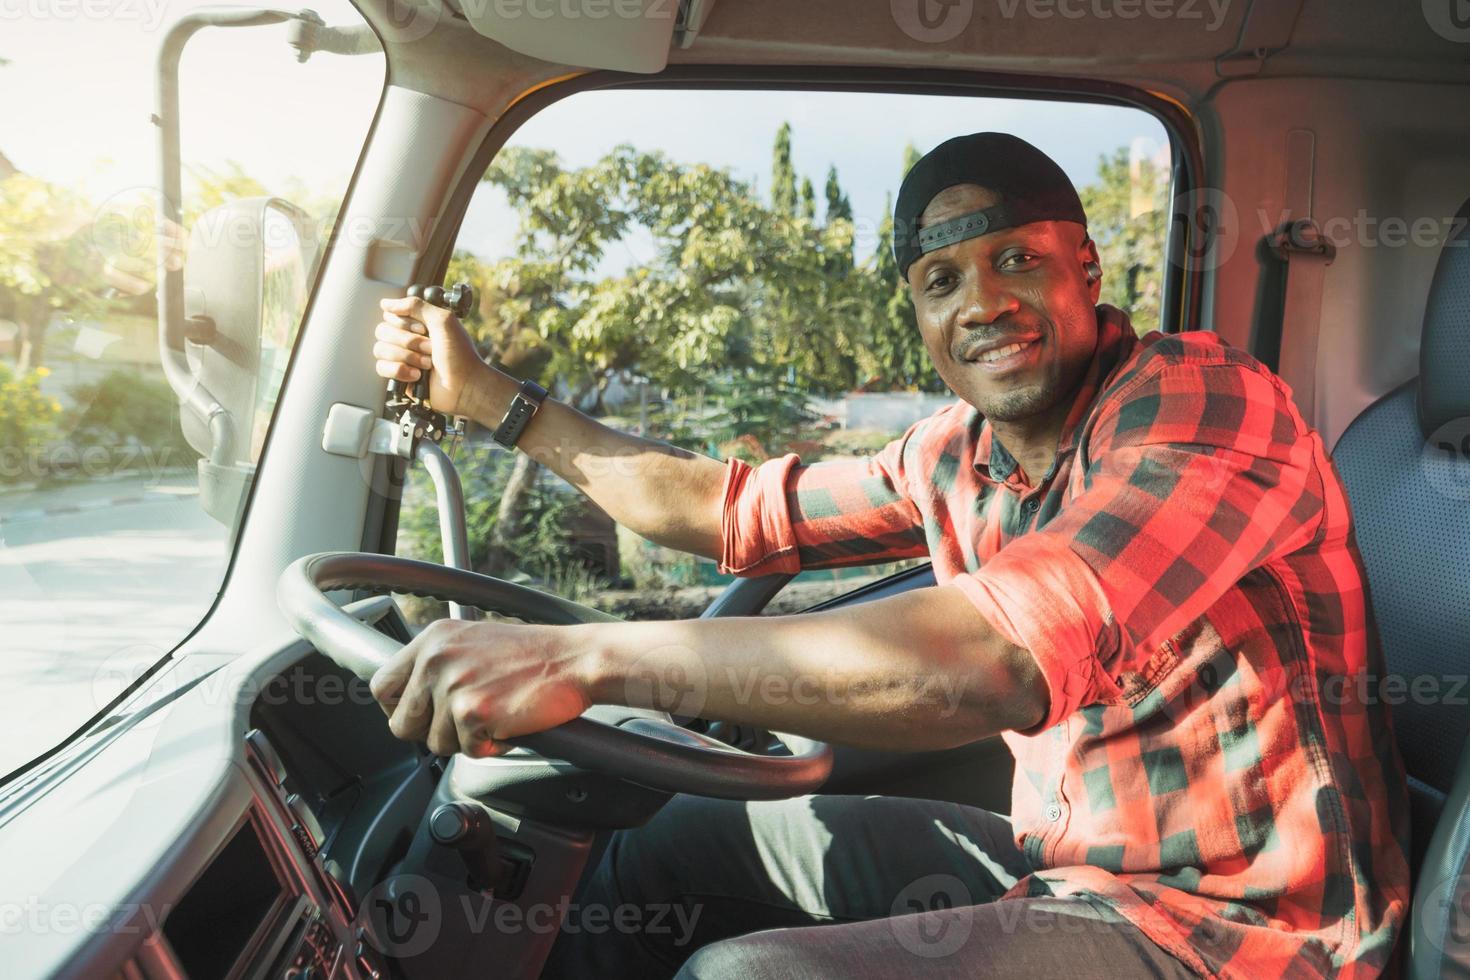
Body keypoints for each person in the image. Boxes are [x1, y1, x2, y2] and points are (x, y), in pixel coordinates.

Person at [369, 133, 1409, 978]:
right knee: (681, 839)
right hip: (1078, 874)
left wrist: (580, 657)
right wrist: (487, 399)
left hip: (1250, 937)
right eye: (940, 278)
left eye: (1017, 259)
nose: (982, 303)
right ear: (917, 314)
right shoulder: (953, 453)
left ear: (1085, 267)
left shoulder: (1201, 402)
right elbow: (719, 508)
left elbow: (995, 653)